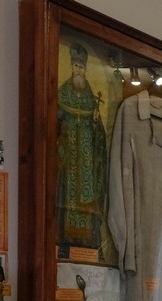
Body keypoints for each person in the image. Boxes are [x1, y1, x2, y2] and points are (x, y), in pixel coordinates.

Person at [56, 42, 108, 249]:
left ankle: (89, 244)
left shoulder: (92, 99)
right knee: (65, 198)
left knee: (89, 197)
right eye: (76, 66)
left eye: (82, 67)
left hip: (86, 161)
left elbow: (100, 135)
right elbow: (54, 124)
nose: (79, 70)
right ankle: (64, 242)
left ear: (86, 70)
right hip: (68, 159)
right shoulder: (62, 94)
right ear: (71, 67)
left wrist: (95, 125)